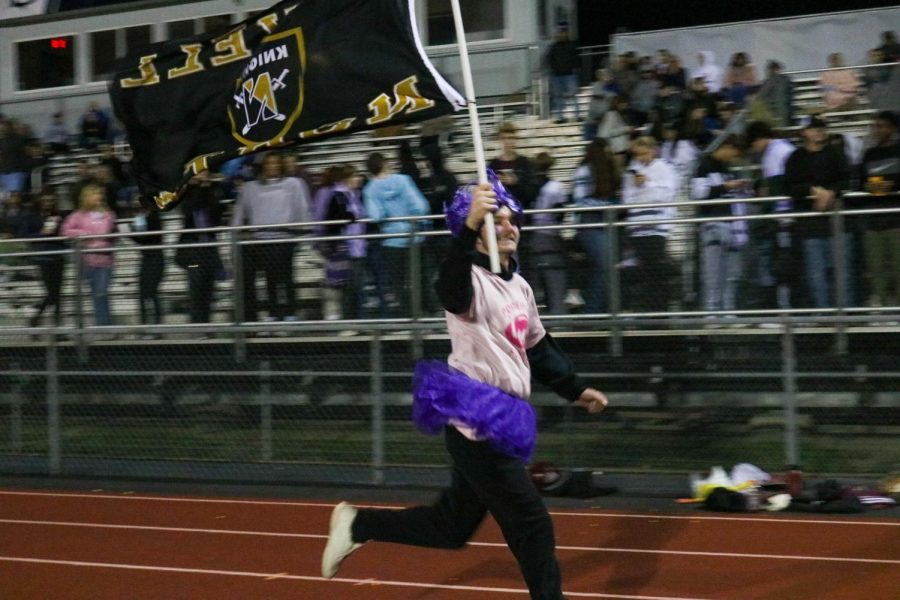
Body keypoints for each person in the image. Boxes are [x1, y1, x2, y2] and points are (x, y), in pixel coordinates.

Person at [321, 173, 609, 600]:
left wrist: (575, 388)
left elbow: (539, 347)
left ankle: (359, 524)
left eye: (513, 220)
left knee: (450, 527)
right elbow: (447, 286)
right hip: (475, 421)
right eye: (498, 221)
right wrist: (472, 225)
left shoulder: (520, 285)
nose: (509, 227)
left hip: (504, 417)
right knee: (531, 522)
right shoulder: (467, 280)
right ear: (474, 231)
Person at [231, 152, 311, 322]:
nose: (272, 166)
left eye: (276, 163)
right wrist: (238, 229)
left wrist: (303, 229)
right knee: (270, 278)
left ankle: (290, 311)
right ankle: (274, 312)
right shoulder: (250, 188)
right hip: (262, 239)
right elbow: (240, 214)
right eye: (269, 163)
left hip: (285, 237)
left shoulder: (293, 184)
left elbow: (302, 208)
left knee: (286, 276)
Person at [784, 116, 854, 308]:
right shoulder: (796, 157)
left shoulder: (835, 153)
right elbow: (789, 187)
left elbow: (847, 179)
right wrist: (812, 190)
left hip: (837, 222)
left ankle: (846, 313)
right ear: (803, 132)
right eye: (813, 128)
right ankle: (823, 314)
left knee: (843, 272)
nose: (819, 131)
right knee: (816, 273)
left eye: (821, 128)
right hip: (810, 225)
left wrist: (831, 193)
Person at [362, 151, 430, 317]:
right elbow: (421, 206)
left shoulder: (370, 190)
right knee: (419, 277)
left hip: (392, 241)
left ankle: (406, 316)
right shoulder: (403, 180)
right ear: (385, 164)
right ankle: (424, 312)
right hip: (414, 237)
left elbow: (376, 216)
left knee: (398, 281)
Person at [691, 135, 751, 314]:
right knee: (713, 272)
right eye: (734, 154)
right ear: (728, 147)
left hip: (731, 225)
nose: (733, 159)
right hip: (712, 224)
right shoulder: (704, 165)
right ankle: (711, 312)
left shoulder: (726, 168)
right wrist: (726, 187)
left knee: (732, 273)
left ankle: (728, 310)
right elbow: (699, 193)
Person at [621, 136, 679, 312]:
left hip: (656, 228)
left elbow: (666, 196)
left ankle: (660, 311)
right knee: (644, 272)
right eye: (637, 154)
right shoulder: (631, 171)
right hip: (638, 228)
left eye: (644, 153)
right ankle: (646, 311)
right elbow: (627, 199)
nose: (640, 157)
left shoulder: (665, 169)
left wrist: (647, 184)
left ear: (653, 151)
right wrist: (642, 191)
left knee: (656, 270)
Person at [745, 120, 798, 310]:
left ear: (759, 139)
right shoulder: (783, 147)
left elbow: (776, 189)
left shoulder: (774, 151)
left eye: (754, 143)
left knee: (782, 265)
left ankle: (785, 309)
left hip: (784, 216)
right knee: (784, 263)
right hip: (787, 214)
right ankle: (788, 308)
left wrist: (766, 204)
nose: (755, 148)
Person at [856, 111, 900, 307]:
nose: (878, 130)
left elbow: (894, 183)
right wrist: (880, 187)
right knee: (876, 267)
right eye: (876, 126)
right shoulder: (869, 154)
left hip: (896, 219)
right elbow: (861, 183)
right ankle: (881, 306)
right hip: (873, 220)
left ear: (892, 128)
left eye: (882, 126)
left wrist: (886, 186)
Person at [571, 138, 620, 314]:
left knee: (607, 267)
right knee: (605, 265)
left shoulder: (606, 172)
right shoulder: (585, 170)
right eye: (606, 150)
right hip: (589, 223)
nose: (609, 154)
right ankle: (592, 309)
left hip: (604, 223)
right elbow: (580, 201)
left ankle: (597, 308)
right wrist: (607, 205)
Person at [62, 183, 116, 326]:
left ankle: (105, 325)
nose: (99, 197)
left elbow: (106, 232)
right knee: (96, 294)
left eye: (100, 194)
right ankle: (104, 324)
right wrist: (83, 234)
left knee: (101, 292)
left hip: (105, 259)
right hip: (87, 260)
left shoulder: (107, 214)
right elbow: (66, 230)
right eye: (95, 194)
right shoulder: (77, 215)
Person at [178, 171, 225, 324]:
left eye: (205, 173)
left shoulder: (214, 192)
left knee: (208, 288)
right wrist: (198, 187)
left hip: (210, 248)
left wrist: (208, 188)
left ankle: (206, 324)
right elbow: (189, 209)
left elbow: (216, 215)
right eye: (200, 173)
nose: (203, 176)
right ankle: (197, 324)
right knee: (196, 286)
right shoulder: (187, 192)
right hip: (193, 250)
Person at [530, 152, 568, 315]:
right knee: (555, 279)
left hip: (531, 235)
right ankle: (558, 316)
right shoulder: (555, 187)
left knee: (533, 281)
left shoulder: (528, 185)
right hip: (550, 235)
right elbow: (560, 214)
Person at [25, 192, 67, 328]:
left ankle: (56, 326)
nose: (49, 203)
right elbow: (26, 235)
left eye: (51, 200)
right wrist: (41, 234)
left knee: (57, 293)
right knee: (52, 292)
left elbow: (66, 235)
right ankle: (37, 314)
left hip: (58, 256)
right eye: (46, 200)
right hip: (43, 257)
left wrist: (61, 233)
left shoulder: (59, 217)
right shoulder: (32, 217)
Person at [130, 196, 165, 329]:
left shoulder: (153, 219)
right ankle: (146, 324)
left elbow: (145, 238)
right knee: (144, 293)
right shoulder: (146, 218)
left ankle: (155, 325)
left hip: (155, 260)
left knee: (151, 293)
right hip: (148, 259)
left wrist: (131, 234)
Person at [489, 122, 538, 209]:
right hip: (499, 213)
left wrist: (516, 182)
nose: (508, 142)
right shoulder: (493, 165)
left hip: (521, 212)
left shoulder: (526, 163)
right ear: (500, 140)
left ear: (516, 140)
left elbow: (533, 193)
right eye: (504, 138)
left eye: (511, 138)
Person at [545, 26, 580, 124]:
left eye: (564, 33)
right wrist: (553, 69)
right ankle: (560, 117)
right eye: (560, 33)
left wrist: (576, 69)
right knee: (558, 97)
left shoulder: (571, 45)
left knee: (573, 95)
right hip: (557, 76)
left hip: (570, 74)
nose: (562, 35)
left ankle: (577, 115)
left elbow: (576, 58)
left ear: (567, 34)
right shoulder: (553, 46)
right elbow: (549, 59)